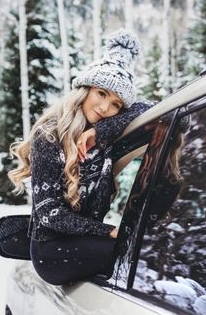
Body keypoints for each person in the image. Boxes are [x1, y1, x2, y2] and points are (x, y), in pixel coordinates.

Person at [8, 28, 154, 285]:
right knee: (137, 256)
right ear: (84, 89)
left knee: (140, 256)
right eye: (101, 93)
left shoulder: (106, 138)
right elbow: (49, 213)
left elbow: (153, 112)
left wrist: (98, 133)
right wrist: (108, 231)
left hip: (86, 242)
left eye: (116, 104)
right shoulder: (49, 136)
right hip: (51, 250)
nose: (105, 108)